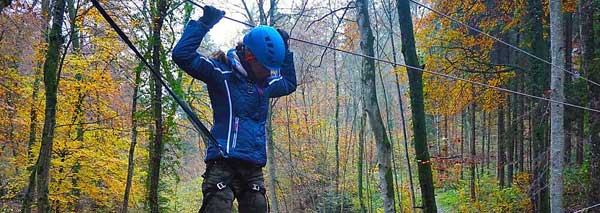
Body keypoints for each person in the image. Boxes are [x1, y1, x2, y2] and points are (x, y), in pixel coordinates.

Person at [171, 5, 297, 213]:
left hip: (253, 168)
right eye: (265, 67)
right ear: (249, 57)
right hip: (222, 165)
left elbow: (289, 84)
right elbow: (182, 55)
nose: (269, 73)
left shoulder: (264, 86)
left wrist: (285, 50)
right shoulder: (221, 74)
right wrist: (203, 24)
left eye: (272, 68)